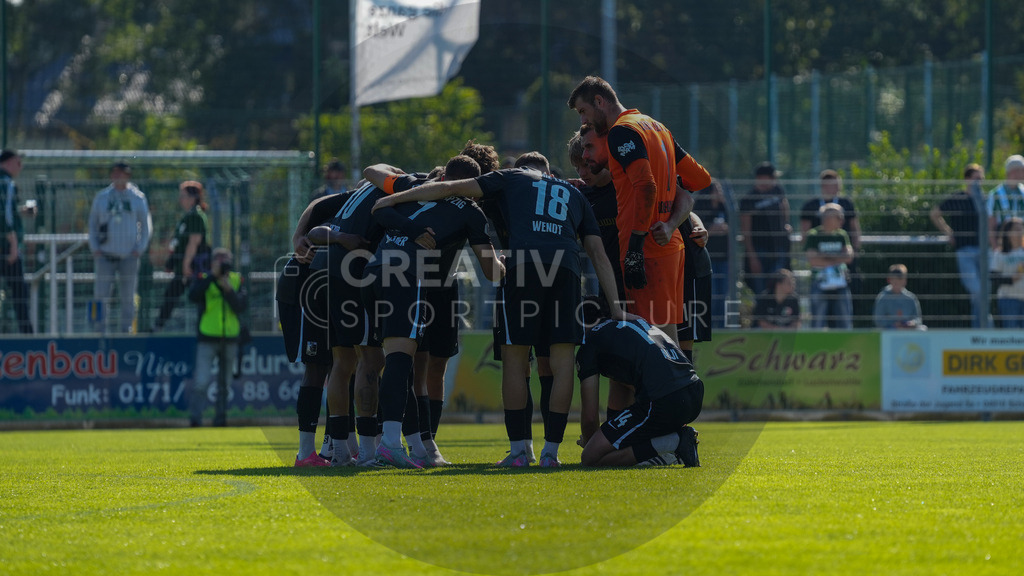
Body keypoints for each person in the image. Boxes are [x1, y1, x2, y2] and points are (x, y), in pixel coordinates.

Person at [373, 151, 632, 468]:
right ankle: (551, 454)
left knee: (515, 357)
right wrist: (617, 307)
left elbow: (452, 188)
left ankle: (520, 452)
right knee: (562, 362)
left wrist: (396, 198)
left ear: (521, 168)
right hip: (566, 269)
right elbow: (598, 254)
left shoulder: (512, 177)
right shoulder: (574, 193)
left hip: (524, 267)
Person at [362, 154, 504, 468]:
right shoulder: (471, 211)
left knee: (389, 363)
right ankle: (388, 444)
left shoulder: (415, 185)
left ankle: (381, 446)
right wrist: (508, 267)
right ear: (471, 185)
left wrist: (409, 227)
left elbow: (379, 208)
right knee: (401, 363)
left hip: (372, 273)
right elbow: (491, 272)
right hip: (406, 275)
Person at [568, 76, 712, 340]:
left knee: (658, 345)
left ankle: (681, 383)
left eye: (583, 112)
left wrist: (635, 247)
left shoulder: (622, 132)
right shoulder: (655, 126)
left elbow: (646, 186)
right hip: (667, 247)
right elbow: (700, 179)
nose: (583, 121)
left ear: (599, 101)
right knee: (662, 341)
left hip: (647, 251)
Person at [277, 190, 354, 467]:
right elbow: (317, 204)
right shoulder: (358, 199)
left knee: (342, 364)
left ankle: (332, 446)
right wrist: (298, 237)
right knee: (318, 366)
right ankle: (305, 453)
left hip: (326, 291)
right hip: (301, 291)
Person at [576, 315, 702, 468]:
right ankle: (666, 447)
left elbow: (590, 418)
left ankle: (674, 443)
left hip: (663, 400)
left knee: (590, 458)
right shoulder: (631, 323)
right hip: (694, 391)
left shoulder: (590, 342)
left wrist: (591, 443)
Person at [87, 162, 153, 333]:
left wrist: (139, 249)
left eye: (122, 173)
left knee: (128, 297)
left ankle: (126, 330)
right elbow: (92, 224)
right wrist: (95, 248)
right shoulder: (101, 197)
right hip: (105, 255)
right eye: (115, 173)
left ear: (128, 175)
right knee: (100, 296)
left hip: (129, 256)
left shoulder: (138, 198)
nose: (118, 176)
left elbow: (146, 226)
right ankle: (97, 330)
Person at [187, 248, 247, 427]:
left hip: (230, 337)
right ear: (212, 263)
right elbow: (193, 296)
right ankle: (195, 419)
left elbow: (240, 306)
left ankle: (220, 418)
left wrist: (227, 288)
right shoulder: (204, 278)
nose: (222, 264)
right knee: (202, 382)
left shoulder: (236, 280)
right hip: (207, 336)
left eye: (225, 261)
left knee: (224, 384)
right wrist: (213, 277)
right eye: (219, 261)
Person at [930, 164, 987, 327]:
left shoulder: (984, 200)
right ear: (967, 179)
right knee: (976, 290)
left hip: (984, 251)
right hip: (965, 251)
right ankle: (984, 325)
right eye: (976, 179)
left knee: (983, 293)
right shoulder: (957, 198)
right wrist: (948, 232)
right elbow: (935, 214)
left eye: (981, 179)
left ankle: (979, 329)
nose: (979, 183)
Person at [155, 180, 209, 331]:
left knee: (199, 298)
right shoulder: (187, 216)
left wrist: (186, 265)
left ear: (193, 198)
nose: (180, 199)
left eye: (183, 196)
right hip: (181, 267)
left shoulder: (196, 216)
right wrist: (171, 263)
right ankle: (158, 326)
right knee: (170, 296)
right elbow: (179, 244)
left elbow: (194, 242)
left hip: (193, 268)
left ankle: (204, 330)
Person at [800, 170, 862, 292]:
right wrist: (813, 254)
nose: (836, 187)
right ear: (823, 185)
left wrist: (855, 249)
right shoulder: (811, 205)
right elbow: (805, 233)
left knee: (849, 292)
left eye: (837, 184)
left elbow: (855, 228)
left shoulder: (846, 203)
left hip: (843, 257)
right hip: (820, 261)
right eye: (831, 184)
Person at [739, 161, 792, 296]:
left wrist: (786, 223)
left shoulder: (777, 190)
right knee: (761, 290)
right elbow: (745, 229)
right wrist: (752, 257)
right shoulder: (749, 199)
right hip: (759, 250)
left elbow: (784, 206)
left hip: (779, 247)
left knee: (779, 286)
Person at [0, 149, 34, 334]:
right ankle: (27, 338)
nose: (20, 167)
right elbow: (4, 218)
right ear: (9, 162)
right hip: (6, 249)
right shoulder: (6, 183)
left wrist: (20, 211)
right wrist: (13, 245)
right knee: (20, 294)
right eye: (18, 163)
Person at [805, 203, 854, 329]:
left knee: (845, 320)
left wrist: (824, 257)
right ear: (827, 218)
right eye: (838, 217)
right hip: (819, 282)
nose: (842, 220)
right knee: (818, 321)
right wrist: (838, 259)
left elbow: (849, 257)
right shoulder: (813, 235)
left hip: (840, 283)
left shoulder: (842, 235)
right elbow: (813, 260)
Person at [692, 179, 730, 328]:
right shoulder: (700, 209)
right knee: (711, 295)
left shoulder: (725, 208)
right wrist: (712, 230)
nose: (719, 193)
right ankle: (708, 326)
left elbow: (732, 230)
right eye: (716, 190)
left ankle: (721, 326)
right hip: (708, 258)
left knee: (723, 295)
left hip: (724, 258)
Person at [991, 217, 1024, 328]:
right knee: (1011, 336)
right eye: (1017, 229)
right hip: (1008, 300)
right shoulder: (1000, 254)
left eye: (1021, 229)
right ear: (1008, 233)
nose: (1020, 232)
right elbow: (994, 278)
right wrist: (1012, 278)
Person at [986, 154, 1024, 248]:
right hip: (1003, 248)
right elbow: (991, 225)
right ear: (1014, 171)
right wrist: (996, 249)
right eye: (1022, 170)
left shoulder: (1023, 192)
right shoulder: (995, 194)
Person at [872, 264, 926, 330]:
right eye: (894, 280)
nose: (897, 282)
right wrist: (894, 324)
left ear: (905, 281)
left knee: (923, 329)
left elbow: (918, 319)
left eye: (900, 279)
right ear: (889, 280)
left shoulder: (911, 298)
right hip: (890, 330)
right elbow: (878, 320)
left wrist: (912, 323)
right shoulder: (882, 297)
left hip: (907, 330)